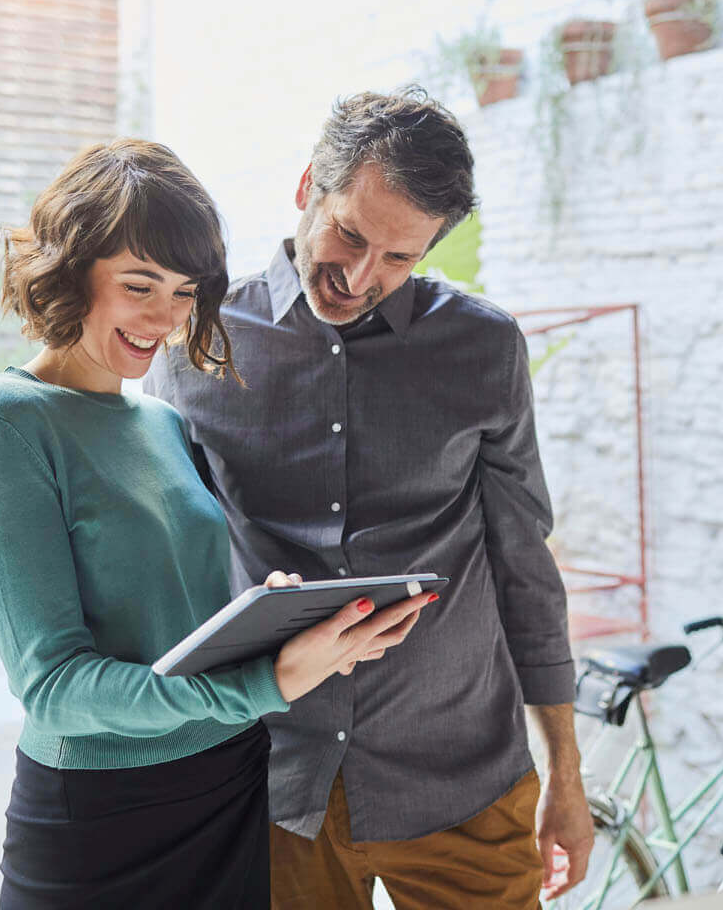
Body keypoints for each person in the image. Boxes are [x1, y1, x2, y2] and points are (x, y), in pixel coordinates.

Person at [0, 139, 435, 910]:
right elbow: (54, 688)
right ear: (73, 270)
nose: (164, 318)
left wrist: (273, 626)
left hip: (228, 781)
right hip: (104, 816)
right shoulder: (8, 422)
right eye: (139, 284)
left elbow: (176, 626)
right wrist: (266, 684)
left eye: (184, 292)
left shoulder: (160, 422)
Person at [146, 88, 595, 909]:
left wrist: (566, 772)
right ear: (308, 186)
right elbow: (172, 575)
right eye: (349, 234)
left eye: (399, 259)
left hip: (466, 778)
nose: (359, 277)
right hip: (280, 786)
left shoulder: (484, 348)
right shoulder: (195, 347)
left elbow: (524, 562)